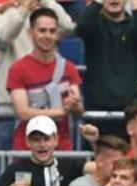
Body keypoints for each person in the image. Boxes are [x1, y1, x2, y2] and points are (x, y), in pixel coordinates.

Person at [0, 1, 75, 147]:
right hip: (9, 105)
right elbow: (2, 38)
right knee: (8, 164)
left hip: (47, 105)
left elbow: (67, 27)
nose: (47, 34)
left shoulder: (46, 19)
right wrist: (23, 10)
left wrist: (45, 1)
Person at [6, 7, 83, 151]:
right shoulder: (18, 69)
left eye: (52, 31)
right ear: (30, 33)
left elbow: (79, 110)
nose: (47, 35)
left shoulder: (69, 68)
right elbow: (23, 112)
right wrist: (61, 112)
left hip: (61, 149)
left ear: (58, 34)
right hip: (26, 150)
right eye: (42, 30)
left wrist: (74, 104)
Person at [75, 0, 137, 137]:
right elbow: (81, 27)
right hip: (97, 111)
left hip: (130, 111)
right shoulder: (94, 25)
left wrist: (136, 4)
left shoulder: (135, 26)